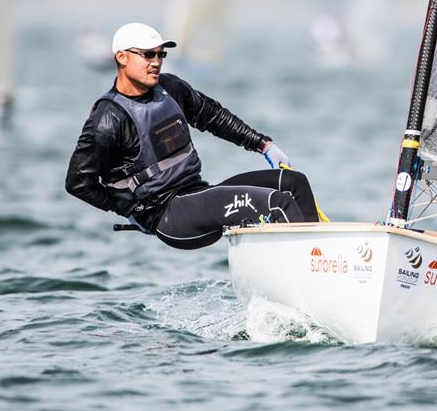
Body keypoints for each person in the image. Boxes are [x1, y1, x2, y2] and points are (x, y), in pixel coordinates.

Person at [65, 22, 319, 249]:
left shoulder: (170, 88)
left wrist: (263, 145)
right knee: (278, 203)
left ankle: (320, 257)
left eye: (161, 54)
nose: (156, 61)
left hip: (196, 193)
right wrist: (128, 209)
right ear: (121, 57)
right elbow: (78, 182)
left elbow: (214, 117)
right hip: (166, 214)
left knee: (293, 183)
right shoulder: (108, 118)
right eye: (148, 55)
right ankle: (307, 278)